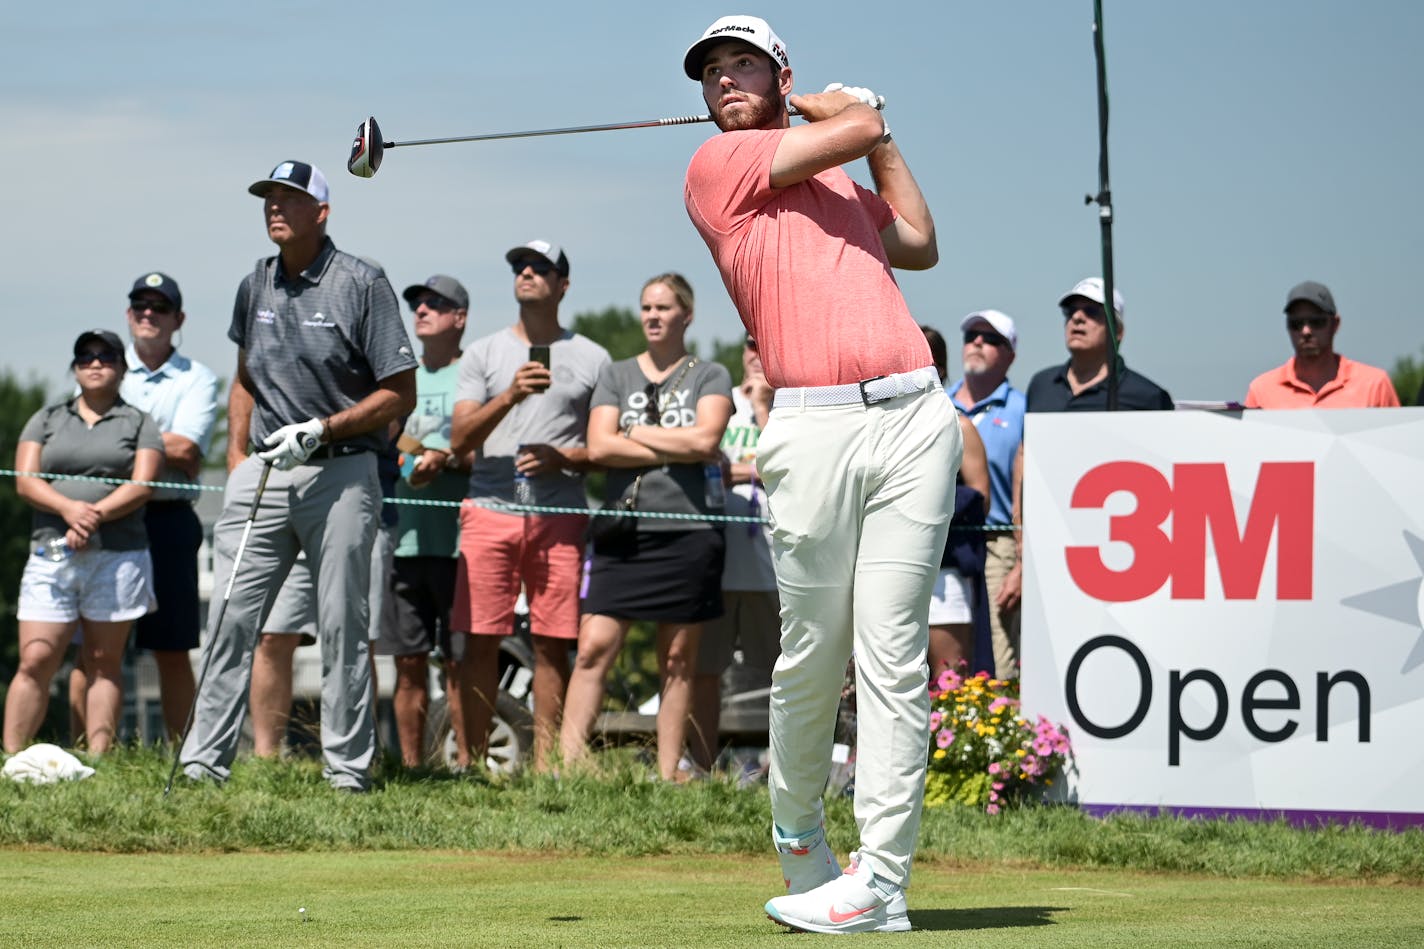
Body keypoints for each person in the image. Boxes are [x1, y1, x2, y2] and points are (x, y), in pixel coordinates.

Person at [683, 16, 961, 934]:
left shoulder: (836, 175)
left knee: (893, 655)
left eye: (744, 65)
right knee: (812, 650)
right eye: (712, 71)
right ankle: (802, 833)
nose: (725, 79)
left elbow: (918, 240)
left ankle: (881, 883)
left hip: (915, 414)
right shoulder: (718, 169)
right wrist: (855, 109)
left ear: (779, 73)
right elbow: (854, 125)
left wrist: (877, 134)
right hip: (812, 429)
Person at [179, 160, 416, 792]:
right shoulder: (253, 284)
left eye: (291, 198)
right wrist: (236, 457)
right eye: (269, 198)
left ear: (323, 212)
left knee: (341, 625)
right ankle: (204, 763)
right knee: (230, 619)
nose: (275, 207)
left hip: (341, 472)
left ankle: (347, 772)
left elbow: (400, 391)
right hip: (262, 477)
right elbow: (244, 378)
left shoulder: (362, 282)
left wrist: (327, 428)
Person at [560, 273, 734, 781]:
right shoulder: (616, 374)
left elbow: (706, 442)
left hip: (689, 532)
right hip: (624, 531)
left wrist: (631, 431)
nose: (653, 316)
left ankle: (667, 773)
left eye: (663, 307)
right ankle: (565, 768)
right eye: (646, 308)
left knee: (678, 658)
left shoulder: (711, 375)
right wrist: (667, 441)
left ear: (687, 314)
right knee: (594, 645)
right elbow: (598, 448)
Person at [450, 240, 610, 772]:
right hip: (489, 509)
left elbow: (606, 450)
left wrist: (562, 456)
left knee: (552, 643)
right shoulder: (484, 353)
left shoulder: (592, 357)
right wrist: (511, 395)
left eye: (541, 268)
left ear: (563, 285)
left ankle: (546, 770)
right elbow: (459, 439)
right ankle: (471, 766)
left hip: (559, 515)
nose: (527, 273)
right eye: (520, 266)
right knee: (479, 639)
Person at [5, 330, 162, 754]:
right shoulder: (47, 417)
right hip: (52, 552)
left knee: (101, 662)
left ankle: (98, 760)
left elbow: (143, 484)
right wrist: (70, 510)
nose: (95, 363)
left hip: (119, 555)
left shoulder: (139, 422)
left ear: (122, 367)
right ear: (75, 368)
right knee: (36, 659)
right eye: (86, 356)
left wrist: (93, 517)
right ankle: (12, 759)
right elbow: (26, 480)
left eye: (106, 356)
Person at [116, 273, 219, 740]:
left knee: (172, 650)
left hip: (168, 522)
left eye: (160, 307)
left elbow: (188, 449)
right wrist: (156, 443)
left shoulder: (199, 378)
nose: (148, 314)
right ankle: (96, 754)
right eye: (140, 305)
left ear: (179, 319)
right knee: (100, 649)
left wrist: (116, 443)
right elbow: (169, 447)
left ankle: (185, 756)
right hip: (109, 520)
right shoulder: (102, 366)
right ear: (128, 314)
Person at [378, 274, 473, 768]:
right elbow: (384, 440)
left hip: (460, 545)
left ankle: (465, 766)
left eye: (436, 304)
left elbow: (491, 449)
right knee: (408, 663)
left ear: (460, 317)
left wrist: (450, 458)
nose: (422, 310)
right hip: (404, 543)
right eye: (417, 303)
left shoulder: (474, 375)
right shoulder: (401, 377)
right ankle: (412, 767)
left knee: (459, 663)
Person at [688, 335, 778, 776]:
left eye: (765, 343)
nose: (756, 353)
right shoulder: (720, 402)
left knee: (784, 673)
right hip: (720, 562)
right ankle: (702, 769)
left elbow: (788, 467)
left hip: (775, 566)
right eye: (749, 344)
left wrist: (764, 410)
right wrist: (754, 469)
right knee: (705, 671)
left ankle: (788, 771)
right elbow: (709, 464)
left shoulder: (791, 405)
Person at [948, 310, 1025, 679]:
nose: (977, 343)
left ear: (1010, 354)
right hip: (945, 545)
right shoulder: (938, 404)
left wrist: (1023, 565)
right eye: (971, 336)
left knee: (996, 653)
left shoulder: (1023, 409)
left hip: (998, 545)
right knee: (949, 656)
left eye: (991, 339)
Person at [921, 327, 992, 677]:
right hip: (884, 565)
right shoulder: (876, 425)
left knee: (950, 682)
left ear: (940, 368)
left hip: (945, 571)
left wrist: (923, 498)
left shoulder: (959, 425)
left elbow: (981, 499)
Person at [1024, 278, 1173, 412]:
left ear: (1118, 332)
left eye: (1091, 311)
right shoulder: (1041, 384)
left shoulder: (1148, 397)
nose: (1077, 317)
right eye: (1070, 311)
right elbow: (1026, 442)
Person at [1244, 281, 1400, 408]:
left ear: (1335, 324)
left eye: (1316, 322)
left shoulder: (1374, 385)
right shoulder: (1261, 391)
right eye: (1296, 323)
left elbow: (1396, 444)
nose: (1306, 331)